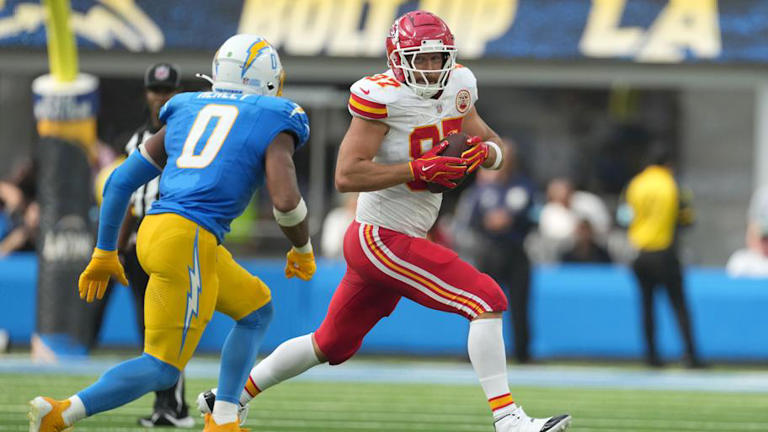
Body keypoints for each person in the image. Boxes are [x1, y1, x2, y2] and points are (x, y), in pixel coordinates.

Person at [199, 11, 570, 432]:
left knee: (331, 344)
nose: (431, 68)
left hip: (398, 236)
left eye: (438, 58)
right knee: (486, 299)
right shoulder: (382, 97)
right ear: (398, 58)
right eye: (421, 58)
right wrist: (418, 169)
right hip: (381, 236)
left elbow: (493, 142)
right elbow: (346, 174)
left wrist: (483, 156)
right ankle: (508, 420)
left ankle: (228, 398)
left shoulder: (460, 86)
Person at [28, 34, 315, 432]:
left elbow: (117, 184)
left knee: (255, 309)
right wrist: (302, 246)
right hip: (189, 237)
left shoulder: (186, 107)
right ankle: (62, 412)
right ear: (268, 80)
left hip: (157, 230)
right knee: (162, 368)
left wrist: (105, 251)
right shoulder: (275, 114)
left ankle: (224, 416)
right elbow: (285, 200)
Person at [113, 62, 194, 427]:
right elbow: (129, 197)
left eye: (167, 90)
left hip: (173, 234)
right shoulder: (136, 139)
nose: (161, 96)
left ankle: (172, 405)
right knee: (149, 330)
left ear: (177, 92)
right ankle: (166, 405)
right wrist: (114, 248)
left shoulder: (190, 134)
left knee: (169, 326)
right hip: (139, 243)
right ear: (147, 93)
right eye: (156, 90)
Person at [453, 141, 535, 364]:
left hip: (515, 250)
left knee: (519, 304)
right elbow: (468, 222)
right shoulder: (481, 189)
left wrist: (507, 220)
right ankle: (476, 353)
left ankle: (522, 352)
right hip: (488, 251)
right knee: (480, 305)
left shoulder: (523, 186)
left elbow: (531, 215)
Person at [624, 146, 702, 368]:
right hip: (664, 251)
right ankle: (690, 355)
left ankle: (651, 356)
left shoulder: (636, 184)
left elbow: (623, 216)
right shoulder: (673, 184)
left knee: (646, 305)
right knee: (678, 304)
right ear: (667, 163)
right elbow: (687, 218)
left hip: (640, 252)